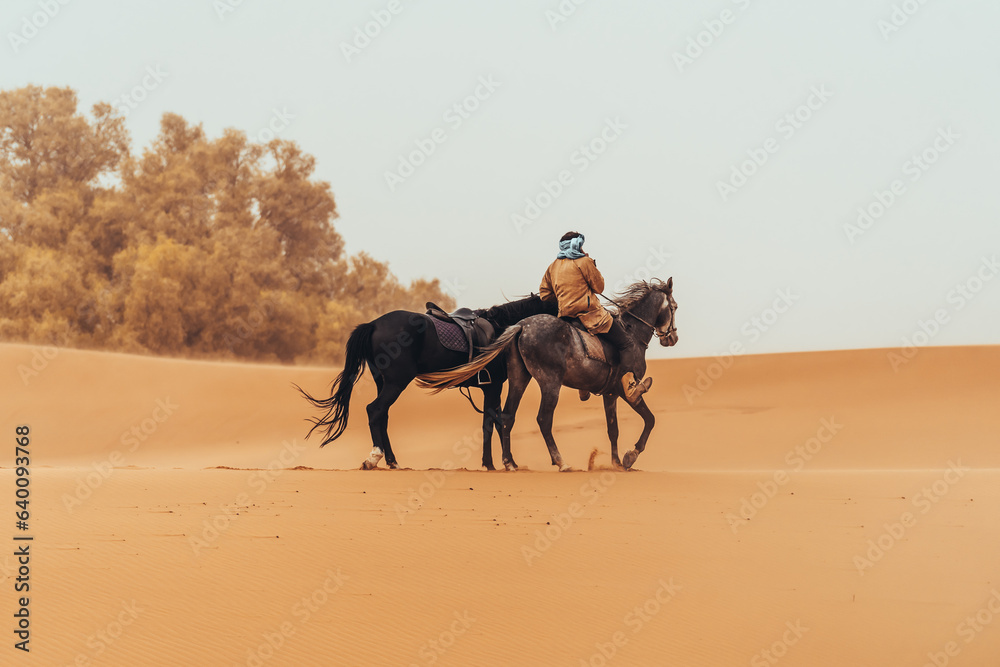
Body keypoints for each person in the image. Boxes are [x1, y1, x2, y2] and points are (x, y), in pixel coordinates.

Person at [538, 231, 652, 404]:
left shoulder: (553, 266)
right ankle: (630, 388)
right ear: (577, 245)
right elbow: (599, 287)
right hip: (591, 316)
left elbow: (544, 294)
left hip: (566, 318)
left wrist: (564, 296)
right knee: (627, 344)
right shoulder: (584, 262)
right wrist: (592, 264)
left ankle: (584, 389)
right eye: (581, 245)